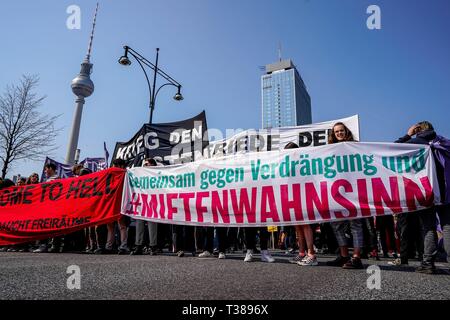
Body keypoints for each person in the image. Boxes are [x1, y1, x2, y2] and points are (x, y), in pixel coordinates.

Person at [391, 121, 450, 274]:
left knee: (429, 227)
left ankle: (428, 263)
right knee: (447, 226)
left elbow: (392, 149)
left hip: (427, 192)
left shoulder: (416, 142)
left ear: (418, 130)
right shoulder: (442, 142)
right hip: (446, 192)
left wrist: (408, 134)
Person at [326, 122, 364, 269]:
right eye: (336, 132)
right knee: (336, 224)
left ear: (346, 131)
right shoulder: (330, 149)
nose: (339, 133)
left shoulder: (355, 146)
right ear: (333, 135)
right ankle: (343, 255)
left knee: (355, 224)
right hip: (337, 191)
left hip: (354, 189)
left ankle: (356, 257)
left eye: (341, 131)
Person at [284, 142, 318, 266]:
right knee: (298, 226)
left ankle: (311, 255)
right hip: (294, 196)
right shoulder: (287, 165)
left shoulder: (303, 163)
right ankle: (302, 252)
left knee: (305, 224)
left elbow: (310, 179)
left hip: (304, 196)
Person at [130, 158, 159, 255]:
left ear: (153, 165)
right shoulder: (140, 174)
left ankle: (153, 246)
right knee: (139, 224)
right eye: (144, 164)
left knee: (152, 225)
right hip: (142, 203)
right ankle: (138, 245)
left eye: (147, 164)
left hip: (153, 203)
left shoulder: (158, 174)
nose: (145, 165)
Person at [33, 163, 61, 253]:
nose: (45, 171)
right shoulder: (48, 180)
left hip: (53, 207)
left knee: (50, 225)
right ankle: (49, 245)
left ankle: (51, 245)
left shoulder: (56, 179)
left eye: (46, 169)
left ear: (50, 169)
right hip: (48, 206)